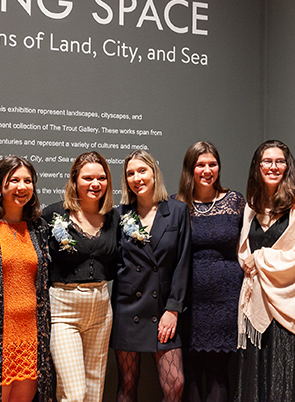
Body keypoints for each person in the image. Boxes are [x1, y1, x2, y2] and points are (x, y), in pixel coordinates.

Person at [235, 140, 295, 402]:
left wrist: (260, 258)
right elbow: (243, 253)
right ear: (257, 166)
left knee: (285, 384)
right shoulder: (252, 206)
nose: (273, 167)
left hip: (290, 309)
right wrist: (251, 260)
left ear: (288, 166)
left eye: (279, 161)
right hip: (257, 308)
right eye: (267, 161)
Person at [111, 150, 192, 402]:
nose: (137, 178)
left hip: (162, 309)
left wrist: (173, 308)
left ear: (154, 173)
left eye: (142, 171)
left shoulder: (177, 210)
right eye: (130, 174)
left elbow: (183, 263)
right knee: (127, 384)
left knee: (175, 385)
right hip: (128, 309)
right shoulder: (120, 214)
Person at [42, 152, 119, 402]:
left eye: (101, 178)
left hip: (100, 307)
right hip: (64, 308)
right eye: (87, 178)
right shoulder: (53, 215)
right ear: (74, 180)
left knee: (94, 393)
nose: (95, 184)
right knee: (75, 394)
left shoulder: (115, 218)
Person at [0, 156, 54, 402]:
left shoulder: (39, 229)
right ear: (0, 186)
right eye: (14, 180)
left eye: (28, 181)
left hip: (31, 336)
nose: (22, 187)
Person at [173, 142, 245, 402]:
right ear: (189, 169)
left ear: (219, 167)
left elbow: (245, 246)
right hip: (188, 300)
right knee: (189, 373)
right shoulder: (176, 205)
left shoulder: (235, 201)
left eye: (212, 164)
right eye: (200, 165)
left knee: (218, 372)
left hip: (226, 299)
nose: (207, 170)